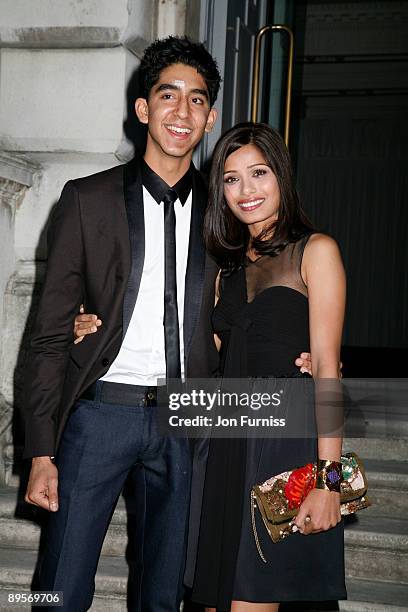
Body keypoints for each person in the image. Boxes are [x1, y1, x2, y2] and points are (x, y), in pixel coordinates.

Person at [22, 36, 222, 612]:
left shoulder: (224, 211)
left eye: (197, 100)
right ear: (143, 109)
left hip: (189, 418)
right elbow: (49, 333)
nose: (181, 112)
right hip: (100, 414)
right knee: (57, 591)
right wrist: (41, 451)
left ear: (209, 119)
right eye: (168, 96)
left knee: (164, 595)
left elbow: (250, 306)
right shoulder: (87, 200)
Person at [186, 122, 347, 611]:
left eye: (258, 173)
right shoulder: (224, 268)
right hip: (222, 445)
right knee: (214, 599)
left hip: (283, 446)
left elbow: (326, 371)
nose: (246, 190)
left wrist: (328, 482)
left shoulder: (316, 251)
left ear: (281, 175)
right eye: (231, 179)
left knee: (254, 596)